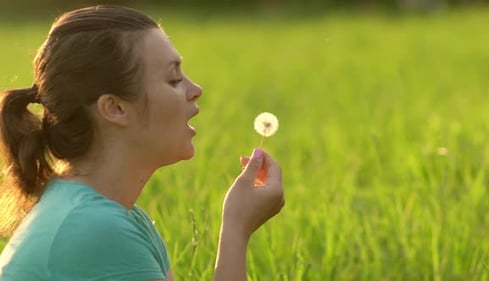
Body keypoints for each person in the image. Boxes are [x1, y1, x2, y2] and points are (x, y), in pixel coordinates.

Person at [0, 5, 285, 281]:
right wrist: (236, 229)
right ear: (115, 108)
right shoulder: (94, 227)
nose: (196, 90)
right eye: (174, 80)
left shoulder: (116, 216)